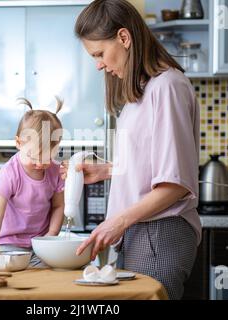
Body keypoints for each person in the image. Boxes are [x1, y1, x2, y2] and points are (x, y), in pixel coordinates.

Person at [64, 0, 202, 299]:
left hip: (159, 232)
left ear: (124, 38)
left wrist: (119, 221)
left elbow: (175, 184)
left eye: (99, 53)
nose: (99, 64)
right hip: (140, 231)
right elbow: (154, 163)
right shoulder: (142, 91)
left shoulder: (167, 87)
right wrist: (109, 170)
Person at [0, 97, 65, 267]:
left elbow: (58, 206)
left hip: (41, 243)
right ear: (18, 143)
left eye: (47, 158)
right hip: (9, 244)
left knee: (46, 276)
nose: (40, 164)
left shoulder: (55, 171)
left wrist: (51, 234)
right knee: (13, 276)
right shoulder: (10, 173)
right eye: (33, 157)